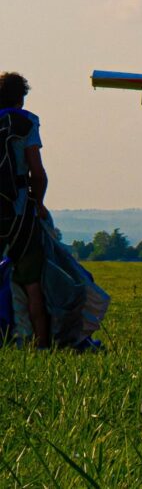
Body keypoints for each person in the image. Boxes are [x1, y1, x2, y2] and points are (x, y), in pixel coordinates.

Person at [0, 72, 49, 348]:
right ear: (21, 97)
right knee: (32, 283)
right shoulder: (27, 122)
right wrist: (38, 203)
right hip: (19, 212)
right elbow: (38, 173)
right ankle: (41, 343)